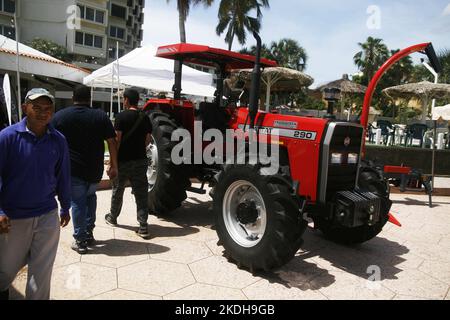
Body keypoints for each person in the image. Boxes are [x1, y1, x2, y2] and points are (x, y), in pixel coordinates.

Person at [0, 88, 71, 300]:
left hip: (47, 215)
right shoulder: (7, 137)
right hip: (13, 217)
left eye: (48, 108)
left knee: (41, 274)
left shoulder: (58, 140)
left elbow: (63, 175)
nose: (43, 112)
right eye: (37, 107)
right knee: (5, 270)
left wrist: (65, 206)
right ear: (25, 108)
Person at [52, 85, 118, 254]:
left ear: (73, 97)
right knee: (90, 198)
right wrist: (113, 164)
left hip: (73, 169)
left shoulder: (61, 116)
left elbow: (49, 141)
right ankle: (88, 231)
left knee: (78, 203)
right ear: (90, 98)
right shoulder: (100, 116)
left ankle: (80, 240)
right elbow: (112, 141)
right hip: (94, 169)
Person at [105, 88, 152, 238]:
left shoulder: (121, 117)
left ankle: (113, 217)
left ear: (126, 100)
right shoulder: (145, 117)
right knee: (141, 194)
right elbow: (148, 140)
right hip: (140, 160)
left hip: (123, 161)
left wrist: (112, 162)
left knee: (118, 190)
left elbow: (117, 141)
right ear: (137, 100)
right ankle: (143, 226)